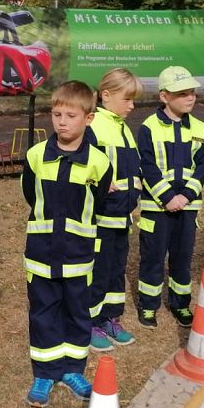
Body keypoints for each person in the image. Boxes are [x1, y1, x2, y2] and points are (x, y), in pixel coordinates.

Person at [22, 81, 112, 408]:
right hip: (41, 255)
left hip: (78, 255)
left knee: (77, 312)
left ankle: (73, 369)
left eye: (71, 116)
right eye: (57, 114)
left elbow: (98, 202)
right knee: (43, 313)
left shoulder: (99, 163)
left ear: (88, 118)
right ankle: (45, 373)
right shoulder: (35, 156)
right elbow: (30, 195)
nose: (62, 122)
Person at [135, 66, 204, 329]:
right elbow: (146, 165)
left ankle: (180, 304)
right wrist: (167, 197)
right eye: (182, 93)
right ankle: (148, 305)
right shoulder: (149, 127)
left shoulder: (200, 127)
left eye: (192, 92)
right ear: (164, 97)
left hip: (187, 208)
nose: (190, 98)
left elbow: (203, 165)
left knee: (182, 259)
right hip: (157, 208)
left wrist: (186, 196)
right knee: (153, 258)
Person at [87, 68, 142, 351]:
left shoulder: (123, 128)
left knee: (115, 270)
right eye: (127, 99)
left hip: (123, 216)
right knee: (98, 270)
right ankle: (89, 323)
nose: (132, 106)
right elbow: (82, 167)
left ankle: (109, 317)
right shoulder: (93, 125)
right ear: (106, 95)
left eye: (134, 100)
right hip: (101, 217)